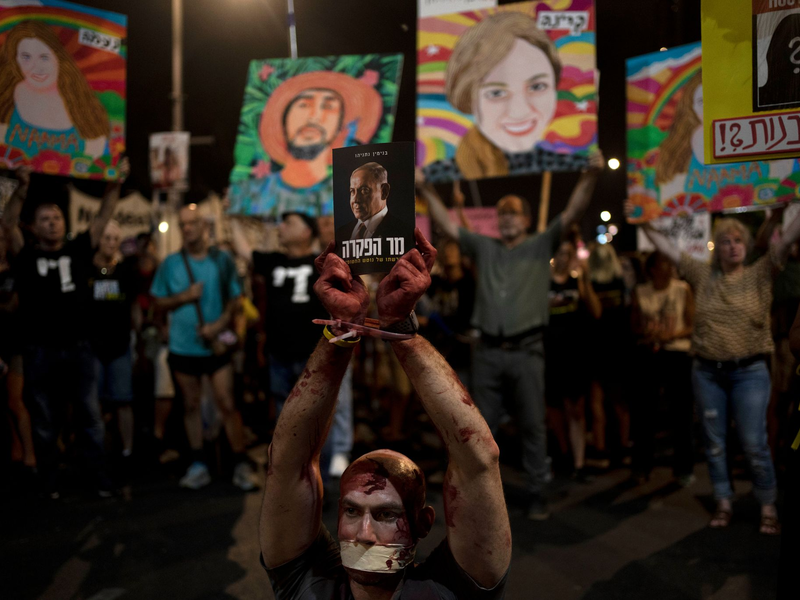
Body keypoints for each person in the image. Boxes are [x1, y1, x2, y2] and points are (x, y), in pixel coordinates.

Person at [260, 229, 511, 599]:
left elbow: (478, 460)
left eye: (386, 515)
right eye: (350, 510)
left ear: (423, 522)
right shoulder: (308, 584)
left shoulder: (449, 591)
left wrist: (401, 331)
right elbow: (287, 463)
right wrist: (340, 331)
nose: (363, 534)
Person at [418, 150, 604, 519]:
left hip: (527, 351)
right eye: (501, 214)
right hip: (487, 351)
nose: (505, 220)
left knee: (533, 424)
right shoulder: (484, 247)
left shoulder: (540, 244)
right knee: (481, 430)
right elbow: (450, 226)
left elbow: (573, 212)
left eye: (512, 213)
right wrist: (427, 190)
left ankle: (537, 491)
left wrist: (589, 177)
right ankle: (481, 495)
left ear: (526, 219)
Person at [629, 200, 800, 535]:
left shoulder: (761, 272)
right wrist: (644, 221)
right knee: (715, 442)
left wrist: (786, 210)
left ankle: (767, 504)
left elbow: (790, 236)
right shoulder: (701, 274)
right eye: (725, 241)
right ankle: (723, 502)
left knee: (753, 441)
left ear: (747, 246)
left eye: (738, 240)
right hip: (707, 372)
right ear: (717, 248)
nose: (732, 246)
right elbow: (668, 248)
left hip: (749, 372)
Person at [2, 159, 128, 498]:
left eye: (57, 217)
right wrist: (21, 189)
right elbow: (8, 224)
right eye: (45, 219)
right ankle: (49, 481)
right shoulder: (25, 256)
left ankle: (98, 478)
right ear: (35, 226)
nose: (53, 223)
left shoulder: (78, 251)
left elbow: (102, 218)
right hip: (40, 351)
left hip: (79, 349)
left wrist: (114, 185)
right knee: (45, 420)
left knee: (90, 417)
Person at [230, 213, 353, 476]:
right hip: (280, 354)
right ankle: (289, 471)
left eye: (289, 223)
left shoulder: (322, 263)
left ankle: (321, 471)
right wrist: (233, 217)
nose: (281, 227)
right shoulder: (273, 260)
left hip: (314, 356)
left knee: (318, 415)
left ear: (306, 232)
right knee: (285, 415)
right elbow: (243, 250)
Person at [150, 204, 256, 491]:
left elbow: (236, 299)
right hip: (183, 346)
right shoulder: (171, 263)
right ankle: (198, 463)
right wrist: (184, 296)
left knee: (226, 402)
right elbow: (157, 301)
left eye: (192, 224)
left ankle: (239, 462)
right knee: (191, 404)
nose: (187, 229)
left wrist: (218, 326)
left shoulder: (221, 260)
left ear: (204, 226)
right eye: (182, 225)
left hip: (214, 346)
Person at [423, 11, 588, 182]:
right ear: (469, 98)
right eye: (496, 93)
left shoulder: (571, 164)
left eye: (537, 86)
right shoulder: (441, 173)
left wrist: (590, 175)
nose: (520, 111)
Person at [229, 71, 383, 219]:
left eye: (328, 107)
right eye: (304, 105)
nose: (314, 117)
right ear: (283, 120)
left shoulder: (352, 200)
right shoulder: (245, 194)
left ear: (340, 128)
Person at [630, 251, 695, 485]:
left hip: (677, 353)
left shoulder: (682, 289)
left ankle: (684, 467)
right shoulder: (640, 292)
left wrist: (671, 334)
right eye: (663, 264)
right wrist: (647, 333)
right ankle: (641, 464)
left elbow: (691, 324)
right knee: (645, 412)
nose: (668, 268)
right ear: (653, 269)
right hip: (650, 353)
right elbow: (635, 324)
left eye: (670, 263)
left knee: (681, 412)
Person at [0, 20, 109, 159]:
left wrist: (117, 171)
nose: (35, 67)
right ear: (15, 59)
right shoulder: (4, 99)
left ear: (58, 58)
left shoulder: (83, 105)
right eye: (26, 57)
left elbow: (98, 161)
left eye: (44, 58)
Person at [545, 236, 601, 481]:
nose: (563, 258)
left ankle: (579, 463)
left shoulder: (577, 282)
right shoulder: (542, 283)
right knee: (554, 409)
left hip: (573, 354)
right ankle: (564, 455)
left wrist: (586, 279)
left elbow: (596, 311)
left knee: (576, 410)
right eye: (559, 253)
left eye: (567, 253)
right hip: (550, 354)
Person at [89, 219, 138, 478]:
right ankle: (97, 453)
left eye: (114, 239)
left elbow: (133, 306)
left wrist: (136, 338)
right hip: (93, 347)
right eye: (106, 237)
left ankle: (127, 452)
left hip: (119, 346)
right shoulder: (85, 269)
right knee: (93, 405)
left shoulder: (125, 271)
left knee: (123, 401)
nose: (110, 243)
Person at [0, 172, 36, 476]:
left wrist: (23, 189)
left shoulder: (19, 267)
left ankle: (30, 455)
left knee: (16, 400)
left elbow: (14, 306)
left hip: (15, 344)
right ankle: (14, 447)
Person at [587, 243, 632, 467]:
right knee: (616, 401)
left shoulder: (593, 283)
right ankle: (617, 447)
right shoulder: (619, 282)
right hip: (614, 346)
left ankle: (603, 449)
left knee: (606, 401)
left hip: (602, 346)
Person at [336, 162, 409, 241]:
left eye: (364, 191)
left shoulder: (404, 233)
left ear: (384, 191)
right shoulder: (341, 233)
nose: (355, 199)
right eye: (352, 191)